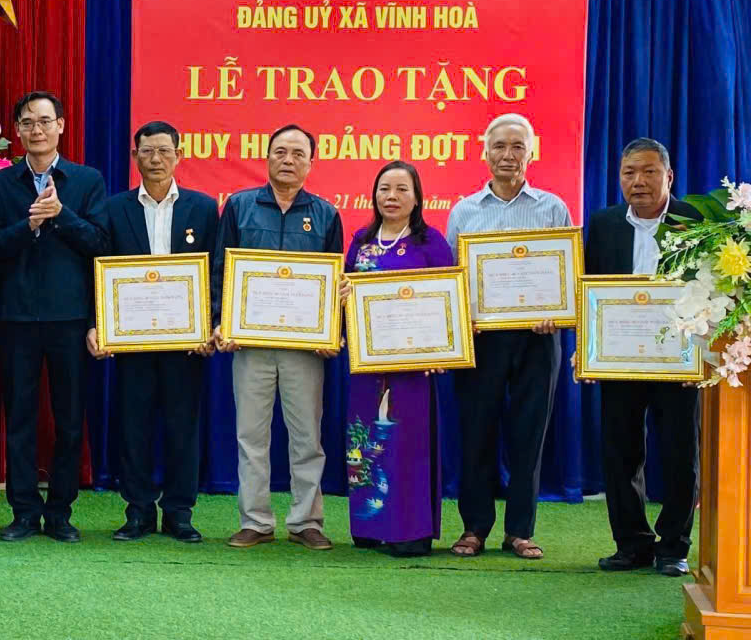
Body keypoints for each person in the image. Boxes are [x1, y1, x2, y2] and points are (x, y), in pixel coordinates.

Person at [0, 91, 109, 543]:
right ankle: (22, 512)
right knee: (19, 418)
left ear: (61, 126)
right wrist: (30, 224)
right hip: (17, 318)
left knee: (69, 420)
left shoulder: (87, 180)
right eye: (28, 122)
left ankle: (59, 514)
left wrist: (60, 214)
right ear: (17, 130)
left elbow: (100, 244)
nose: (37, 130)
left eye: (45, 121)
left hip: (70, 318)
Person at [446, 112, 572, 560]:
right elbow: (453, 279)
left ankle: (520, 530)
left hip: (537, 339)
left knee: (529, 436)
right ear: (484, 153)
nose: (508, 154)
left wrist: (556, 312)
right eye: (499, 146)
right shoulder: (464, 211)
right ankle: (474, 528)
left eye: (518, 146)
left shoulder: (553, 208)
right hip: (482, 340)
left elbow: (567, 276)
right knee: (476, 433)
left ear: (531, 152)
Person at [211, 124, 343, 550]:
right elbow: (221, 269)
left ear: (311, 163)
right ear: (267, 157)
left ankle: (306, 521)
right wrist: (221, 321)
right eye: (281, 151)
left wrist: (332, 331)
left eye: (298, 154)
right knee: (250, 435)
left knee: (307, 437)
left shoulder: (326, 214)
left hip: (305, 348)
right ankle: (256, 520)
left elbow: (336, 281)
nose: (288, 160)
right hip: (249, 343)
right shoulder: (240, 206)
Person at [87, 121, 219, 543]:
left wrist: (210, 322)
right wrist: (98, 323)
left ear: (179, 155)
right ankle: (138, 511)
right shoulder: (114, 208)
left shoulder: (203, 208)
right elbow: (98, 271)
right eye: (147, 151)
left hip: (186, 343)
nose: (156, 159)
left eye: (164, 150)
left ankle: (179, 512)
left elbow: (215, 272)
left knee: (183, 428)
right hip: (133, 340)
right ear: (134, 157)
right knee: (134, 426)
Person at [584, 138, 701, 577]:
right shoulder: (605, 224)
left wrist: (704, 357)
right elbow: (591, 290)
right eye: (629, 172)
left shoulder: (695, 220)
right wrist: (588, 350)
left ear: (668, 176)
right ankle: (631, 544)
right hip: (620, 359)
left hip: (679, 362)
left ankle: (674, 546)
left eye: (649, 172)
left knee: (680, 454)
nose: (639, 181)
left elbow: (717, 294)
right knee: (620, 452)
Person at [338, 162, 453, 557]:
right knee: (365, 441)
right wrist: (343, 296)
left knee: (406, 445)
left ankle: (410, 531)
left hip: (413, 369)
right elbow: (344, 292)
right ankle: (369, 525)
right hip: (366, 366)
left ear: (417, 197)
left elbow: (447, 300)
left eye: (402, 189)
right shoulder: (361, 240)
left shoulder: (431, 243)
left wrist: (442, 349)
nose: (391, 196)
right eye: (384, 188)